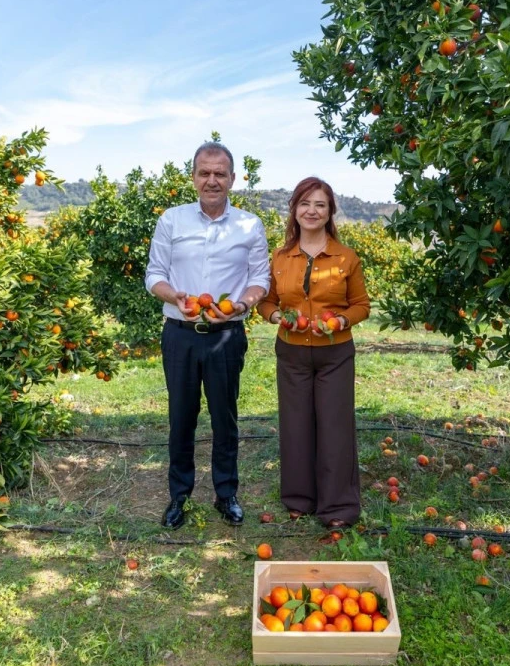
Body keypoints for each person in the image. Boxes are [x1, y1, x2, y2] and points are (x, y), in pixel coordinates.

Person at [145, 141, 271, 529]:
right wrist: (175, 296)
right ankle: (178, 496)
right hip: (180, 333)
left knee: (224, 416)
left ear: (233, 178)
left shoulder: (250, 225)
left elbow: (259, 279)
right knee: (181, 417)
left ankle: (226, 493)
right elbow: (154, 275)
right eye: (205, 173)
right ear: (194, 177)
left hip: (226, 335)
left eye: (220, 173)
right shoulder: (172, 220)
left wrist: (241, 305)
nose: (212, 180)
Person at [256, 177, 370, 529]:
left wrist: (338, 322)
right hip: (291, 353)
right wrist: (277, 316)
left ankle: (337, 506)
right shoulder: (280, 257)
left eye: (320, 205)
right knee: (295, 426)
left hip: (334, 355)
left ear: (330, 212)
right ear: (294, 209)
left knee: (335, 428)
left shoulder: (346, 257)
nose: (312, 210)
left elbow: (361, 306)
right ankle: (299, 499)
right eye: (305, 203)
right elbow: (267, 301)